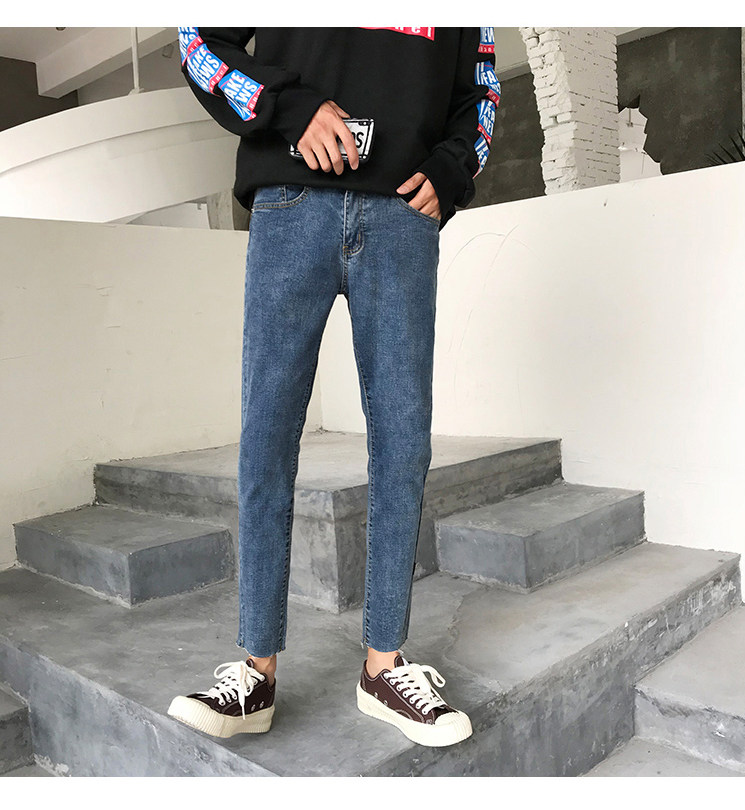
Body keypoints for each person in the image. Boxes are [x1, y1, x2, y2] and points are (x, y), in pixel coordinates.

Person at [167, 26, 500, 749]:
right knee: (267, 434)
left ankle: (384, 666)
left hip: (402, 215)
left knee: (404, 442)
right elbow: (197, 38)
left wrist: (451, 171)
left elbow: (481, 90)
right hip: (292, 202)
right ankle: (255, 671)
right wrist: (291, 109)